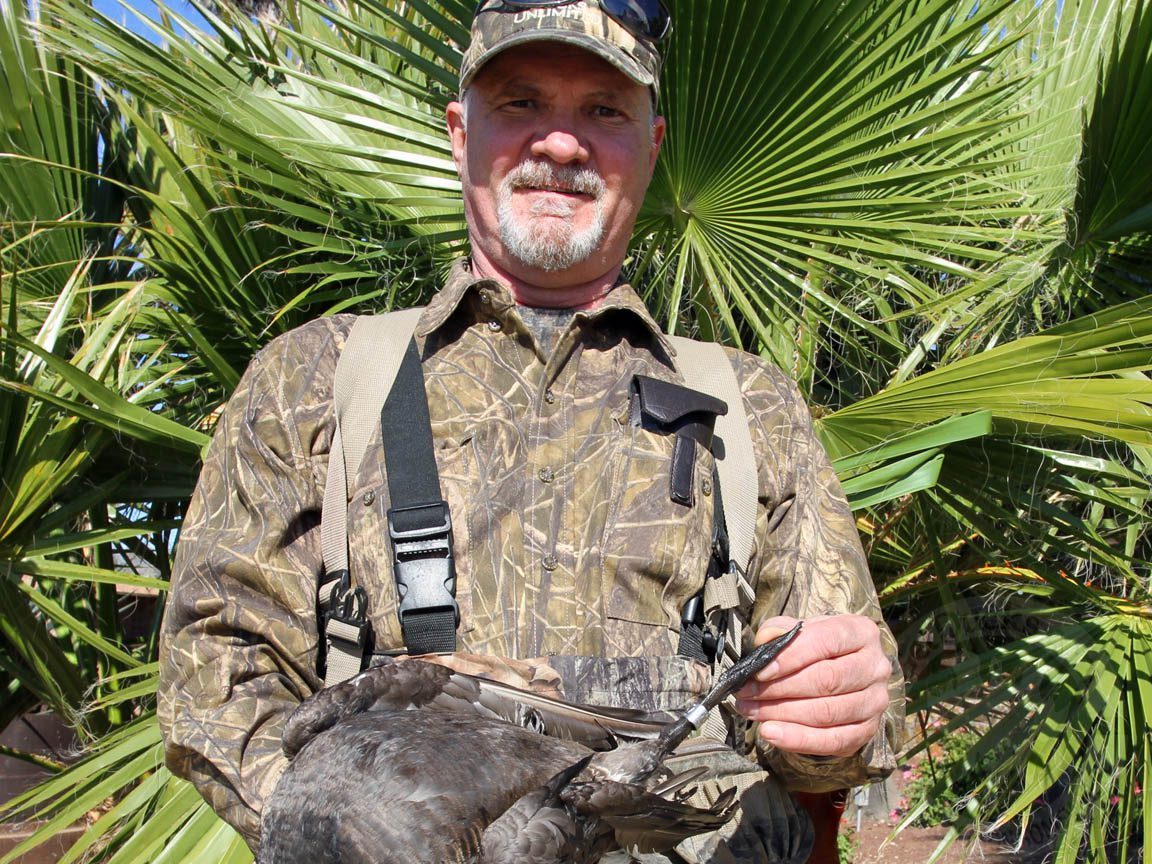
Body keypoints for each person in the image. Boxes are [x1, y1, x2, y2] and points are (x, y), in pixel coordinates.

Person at [158, 1, 905, 861]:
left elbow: (839, 738)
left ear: (652, 144)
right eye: (520, 103)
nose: (561, 144)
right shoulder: (314, 380)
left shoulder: (752, 403)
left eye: (602, 110)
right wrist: (357, 827)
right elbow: (215, 673)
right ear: (458, 131)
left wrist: (835, 713)